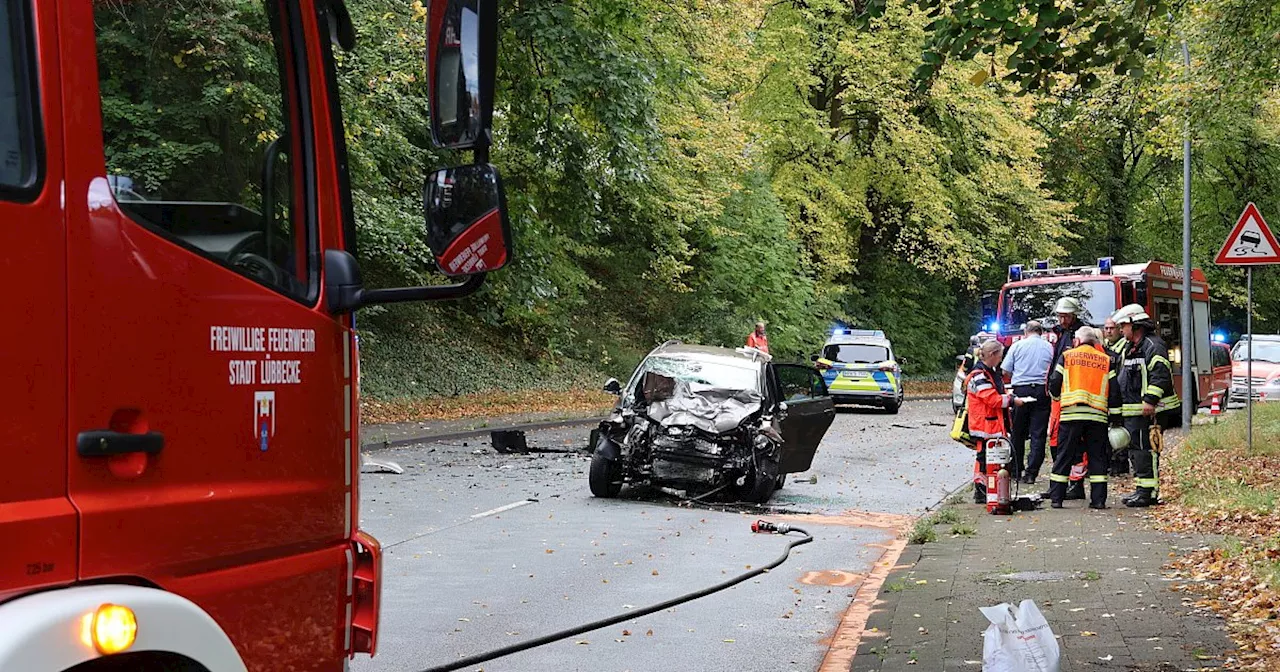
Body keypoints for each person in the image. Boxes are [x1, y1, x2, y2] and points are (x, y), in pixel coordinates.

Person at [1046, 327, 1122, 509]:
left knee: (1064, 456)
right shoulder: (1105, 360)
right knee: (1097, 458)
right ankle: (1098, 500)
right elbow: (1114, 391)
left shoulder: (1068, 356)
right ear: (1095, 343)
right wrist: (1117, 418)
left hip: (1071, 414)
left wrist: (1057, 398)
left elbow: (1055, 382)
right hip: (1097, 416)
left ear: (1078, 341)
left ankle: (1057, 498)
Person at [1112, 304, 1178, 507]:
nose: (1121, 330)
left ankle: (1149, 493)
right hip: (1134, 410)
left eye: (1124, 326)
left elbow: (1161, 375)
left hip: (1151, 411)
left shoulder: (1153, 345)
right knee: (1136, 450)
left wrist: (1150, 400)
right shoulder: (1128, 347)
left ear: (1135, 325)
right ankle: (1142, 489)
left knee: (1146, 450)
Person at [964, 340, 1025, 504]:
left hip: (991, 424)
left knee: (993, 459)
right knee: (985, 460)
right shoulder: (979, 375)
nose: (1001, 359)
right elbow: (992, 400)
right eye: (1000, 355)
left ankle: (990, 490)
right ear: (992, 355)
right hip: (985, 426)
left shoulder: (988, 372)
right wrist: (1012, 400)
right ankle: (982, 490)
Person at [1001, 320, 1053, 483]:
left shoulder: (1017, 346)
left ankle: (1016, 470)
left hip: (1021, 391)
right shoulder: (1049, 347)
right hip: (1041, 390)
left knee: (1018, 432)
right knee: (1038, 434)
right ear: (1041, 332)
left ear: (1026, 332)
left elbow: (1005, 369)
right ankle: (1031, 473)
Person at [1048, 297, 1086, 500]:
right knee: (1056, 441)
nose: (1062, 320)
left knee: (1074, 444)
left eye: (1065, 316)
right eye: (1060, 316)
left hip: (1070, 395)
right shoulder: (1061, 333)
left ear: (1073, 316)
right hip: (1059, 394)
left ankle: (1075, 485)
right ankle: (1059, 486)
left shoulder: (1078, 335)